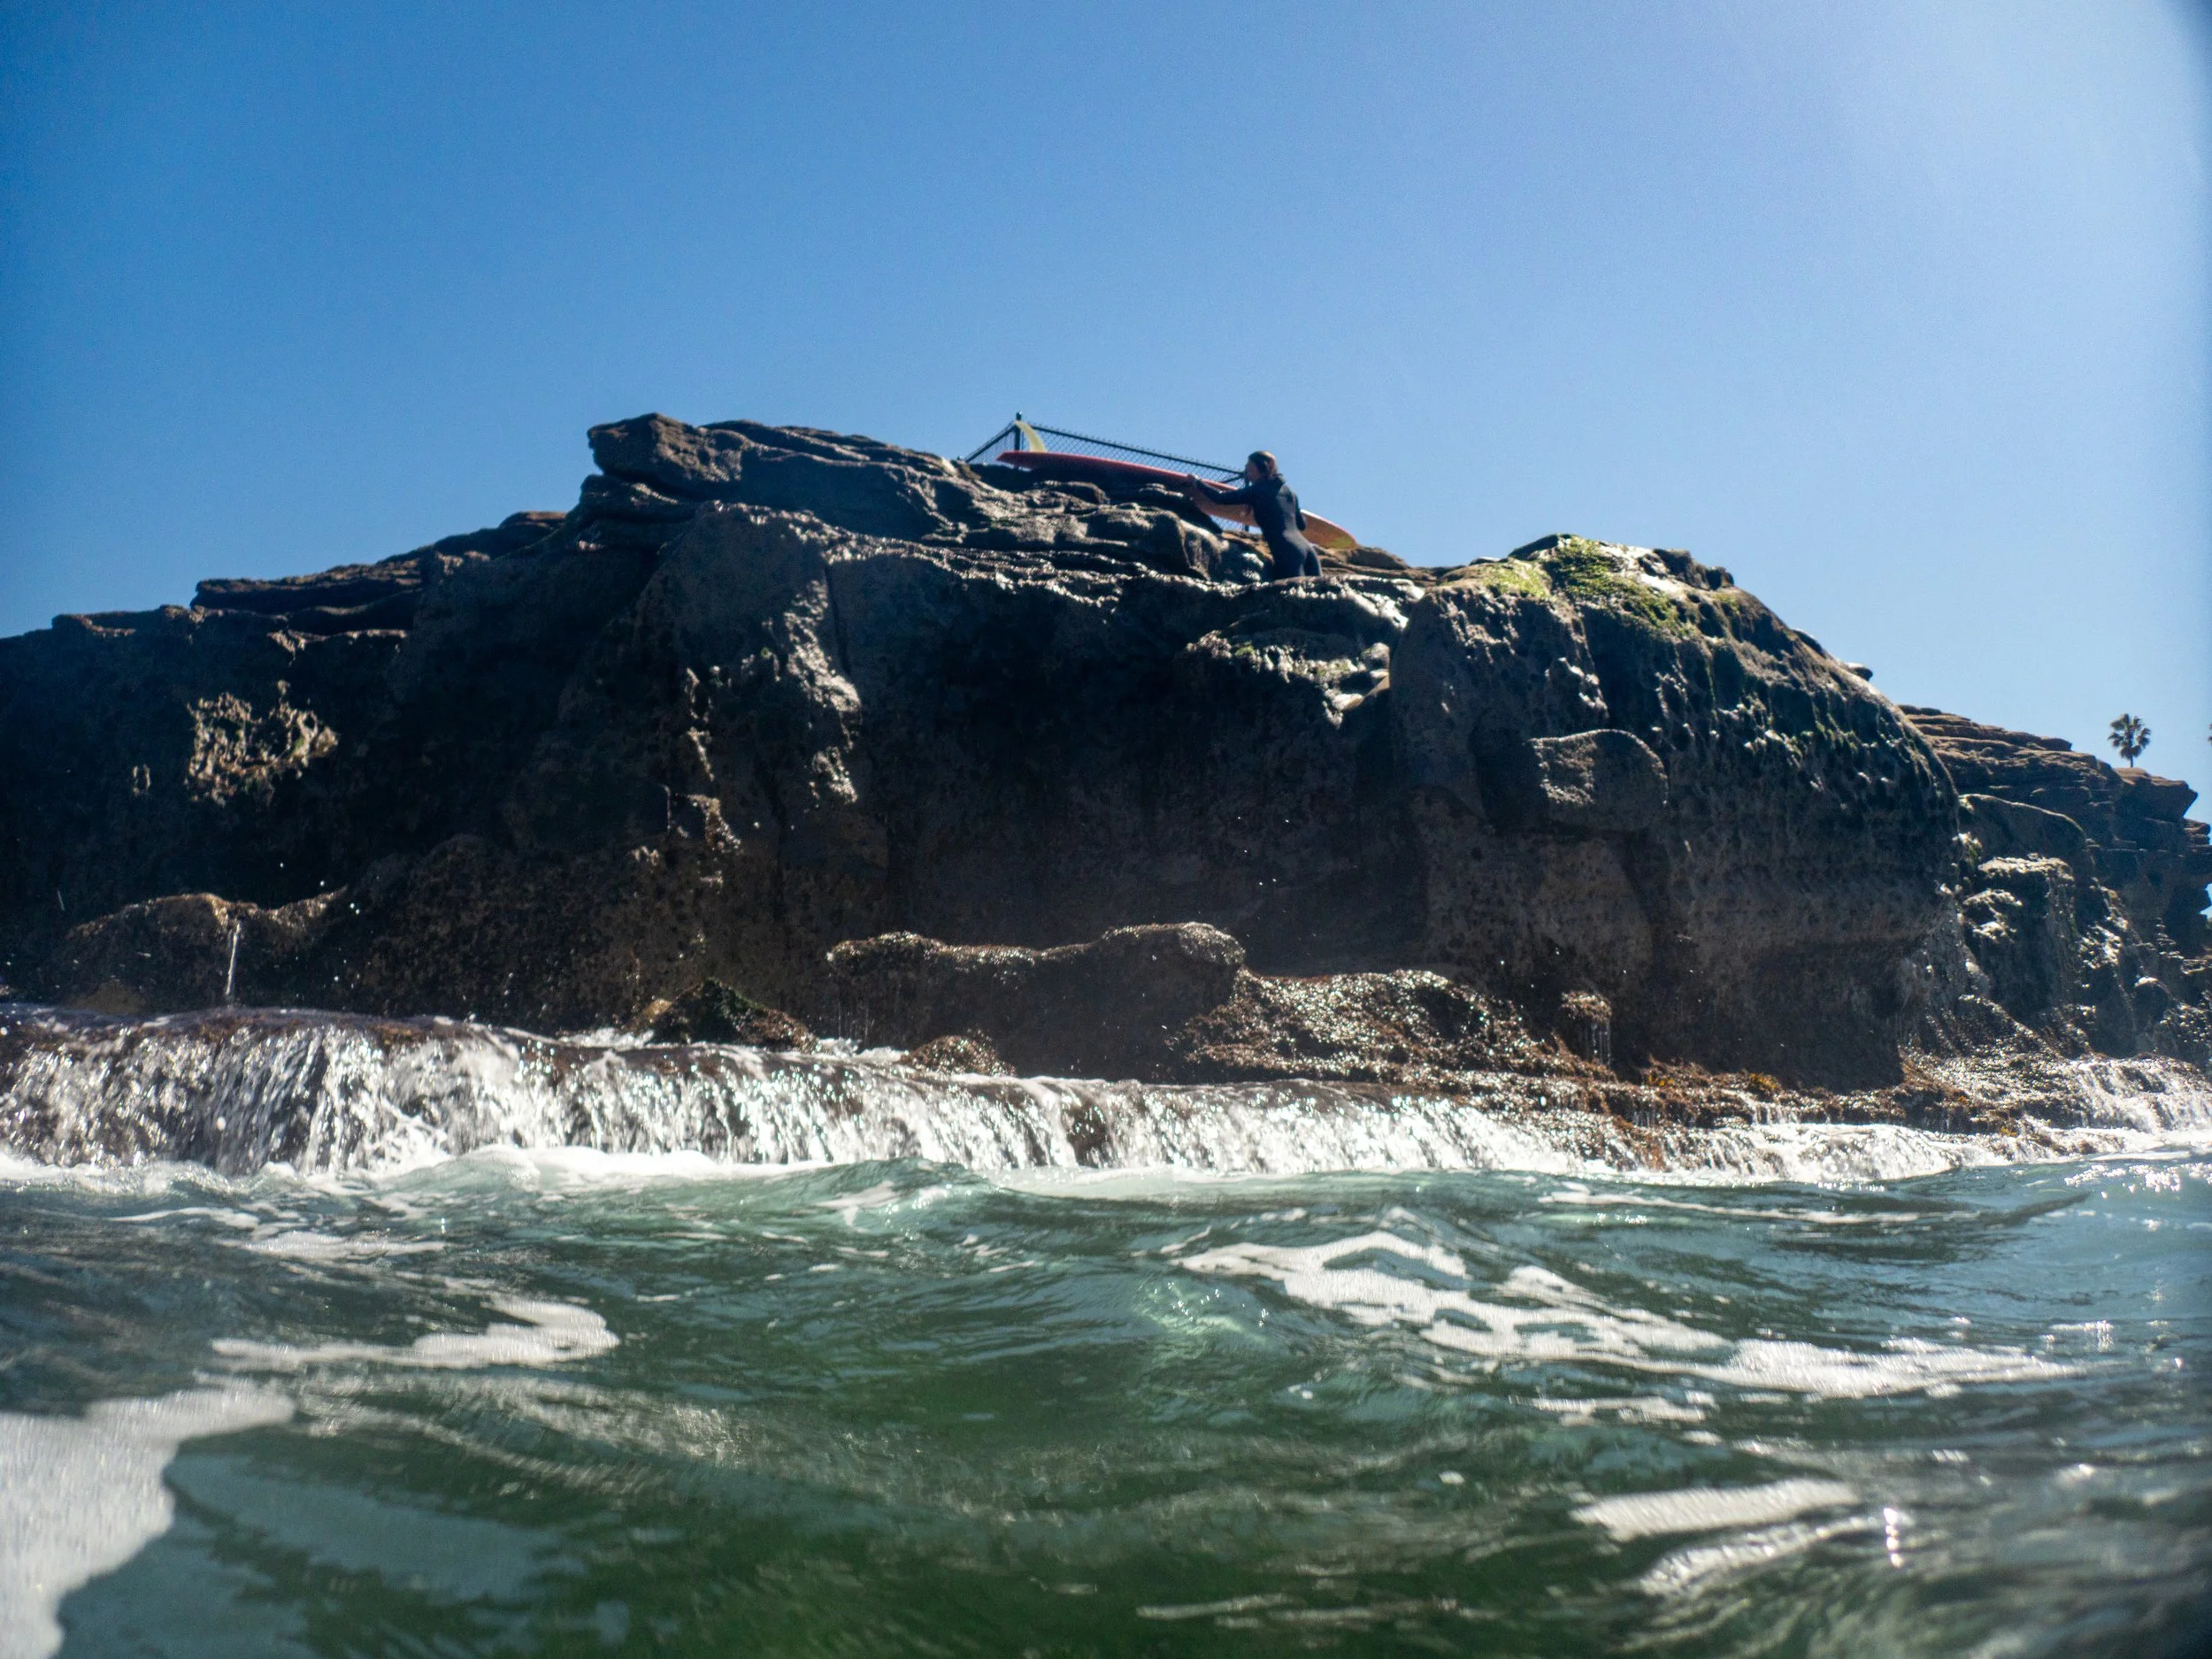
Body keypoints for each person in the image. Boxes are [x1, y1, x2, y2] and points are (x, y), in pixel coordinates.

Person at [1186, 451, 1321, 580]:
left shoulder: (1257, 490)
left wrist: (1197, 482)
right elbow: (1301, 525)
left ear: (1260, 469)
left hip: (1287, 551)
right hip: (1307, 549)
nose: (1247, 474)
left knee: (1291, 593)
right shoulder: (1289, 492)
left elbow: (1220, 498)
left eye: (1249, 470)